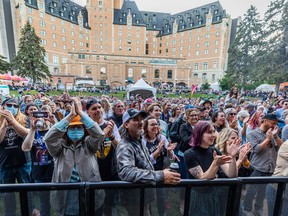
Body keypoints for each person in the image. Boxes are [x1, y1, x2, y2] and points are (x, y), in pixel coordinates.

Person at [43, 97, 105, 215]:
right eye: (72, 127)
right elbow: (48, 138)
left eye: (79, 127)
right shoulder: (60, 147)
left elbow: (99, 134)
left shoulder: (89, 145)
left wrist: (81, 113)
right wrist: (70, 117)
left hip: (89, 191)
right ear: (66, 130)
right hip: (66, 193)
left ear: (84, 129)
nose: (76, 129)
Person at [116, 108, 180, 216]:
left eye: (141, 119)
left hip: (144, 194)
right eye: (135, 119)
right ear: (126, 124)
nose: (140, 122)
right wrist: (160, 175)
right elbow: (126, 172)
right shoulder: (125, 146)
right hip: (135, 198)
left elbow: (145, 163)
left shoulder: (139, 141)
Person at [184, 121, 238, 216]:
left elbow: (231, 174)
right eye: (209, 132)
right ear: (199, 134)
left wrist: (232, 156)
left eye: (214, 131)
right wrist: (215, 164)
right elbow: (202, 178)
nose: (213, 135)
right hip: (199, 196)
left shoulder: (213, 150)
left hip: (213, 194)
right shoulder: (189, 154)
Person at [243, 113, 283, 216]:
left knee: (263, 191)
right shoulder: (253, 134)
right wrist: (268, 139)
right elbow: (256, 149)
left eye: (276, 124)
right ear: (265, 121)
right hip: (258, 167)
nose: (275, 126)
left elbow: (283, 148)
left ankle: (258, 208)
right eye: (273, 123)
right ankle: (247, 209)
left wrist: (275, 136)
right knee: (251, 191)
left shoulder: (274, 132)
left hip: (270, 168)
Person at [86, 99, 120, 216]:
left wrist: (111, 137)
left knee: (110, 205)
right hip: (93, 172)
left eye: (99, 107)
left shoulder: (110, 124)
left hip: (110, 171)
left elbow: (119, 147)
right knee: (95, 205)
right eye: (94, 108)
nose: (98, 110)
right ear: (88, 112)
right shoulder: (86, 127)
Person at [22, 106, 55, 216]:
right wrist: (32, 128)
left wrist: (53, 122)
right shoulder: (31, 132)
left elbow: (63, 140)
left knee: (59, 201)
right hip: (39, 173)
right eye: (38, 117)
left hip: (54, 172)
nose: (41, 120)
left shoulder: (52, 130)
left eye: (44, 116)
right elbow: (25, 148)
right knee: (44, 202)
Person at [0, 98, 31, 216]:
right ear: (2, 107)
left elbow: (26, 133)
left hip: (23, 161)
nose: (12, 108)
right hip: (5, 163)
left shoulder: (25, 119)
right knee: (8, 195)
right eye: (9, 105)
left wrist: (13, 122)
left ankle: (28, 210)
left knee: (27, 192)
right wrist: (3, 126)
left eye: (15, 106)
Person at [142, 116, 176, 216]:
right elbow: (146, 161)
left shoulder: (161, 138)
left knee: (161, 196)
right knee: (147, 198)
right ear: (146, 127)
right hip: (148, 173)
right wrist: (158, 151)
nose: (155, 126)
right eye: (152, 124)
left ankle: (162, 213)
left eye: (156, 124)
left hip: (161, 173)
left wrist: (169, 151)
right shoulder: (142, 141)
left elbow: (170, 157)